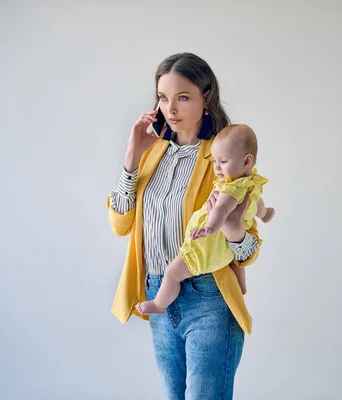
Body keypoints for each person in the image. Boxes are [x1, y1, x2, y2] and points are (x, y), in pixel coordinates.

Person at [106, 53, 263, 399]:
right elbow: (120, 223)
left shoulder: (224, 158)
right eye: (163, 98)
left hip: (208, 296)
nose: (170, 109)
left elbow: (247, 251)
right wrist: (131, 159)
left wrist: (234, 228)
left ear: (205, 97)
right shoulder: (152, 154)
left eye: (182, 97)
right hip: (157, 291)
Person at [136, 124, 275, 315]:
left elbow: (220, 209)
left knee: (172, 274)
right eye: (215, 161)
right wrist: (266, 214)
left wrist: (210, 227)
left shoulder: (230, 189)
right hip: (225, 252)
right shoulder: (252, 185)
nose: (217, 167)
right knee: (233, 260)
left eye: (223, 161)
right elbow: (258, 205)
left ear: (247, 161)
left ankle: (159, 305)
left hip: (207, 249)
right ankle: (241, 286)